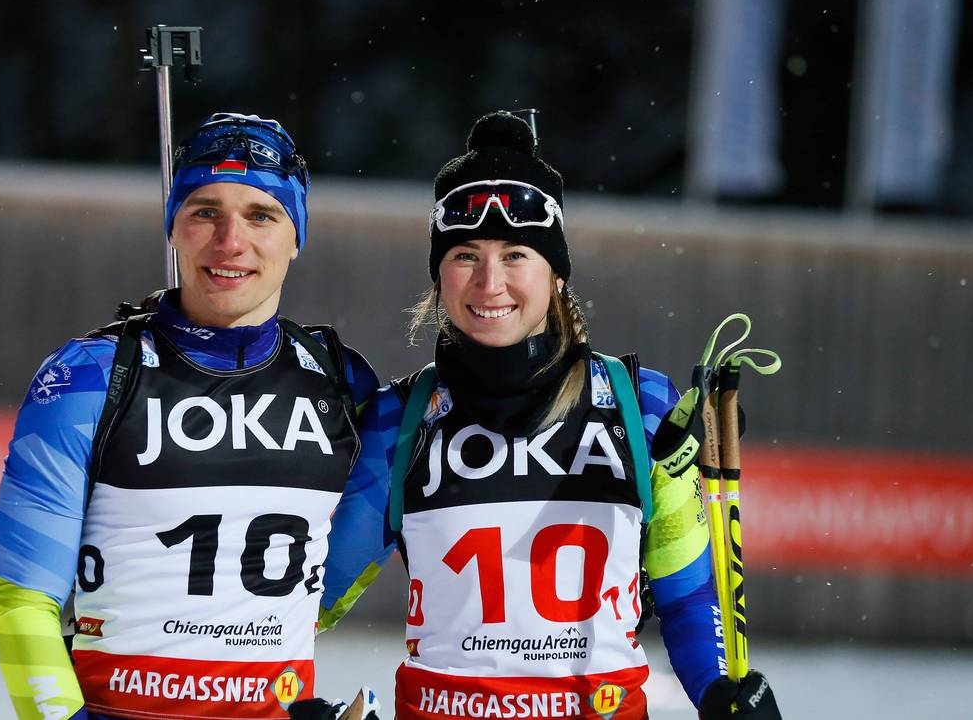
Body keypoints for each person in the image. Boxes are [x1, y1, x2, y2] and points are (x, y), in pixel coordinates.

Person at [321, 111, 783, 719]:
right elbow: (309, 599)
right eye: (465, 255)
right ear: (438, 275)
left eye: (516, 254)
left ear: (556, 274)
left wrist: (719, 693)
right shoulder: (400, 421)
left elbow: (689, 594)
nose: (490, 282)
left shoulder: (642, 407)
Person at [0, 112, 380, 720]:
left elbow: (328, 584)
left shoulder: (341, 381)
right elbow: (20, 607)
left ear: (297, 236)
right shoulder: (90, 377)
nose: (230, 242)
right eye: (205, 212)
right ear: (173, 227)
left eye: (262, 215)